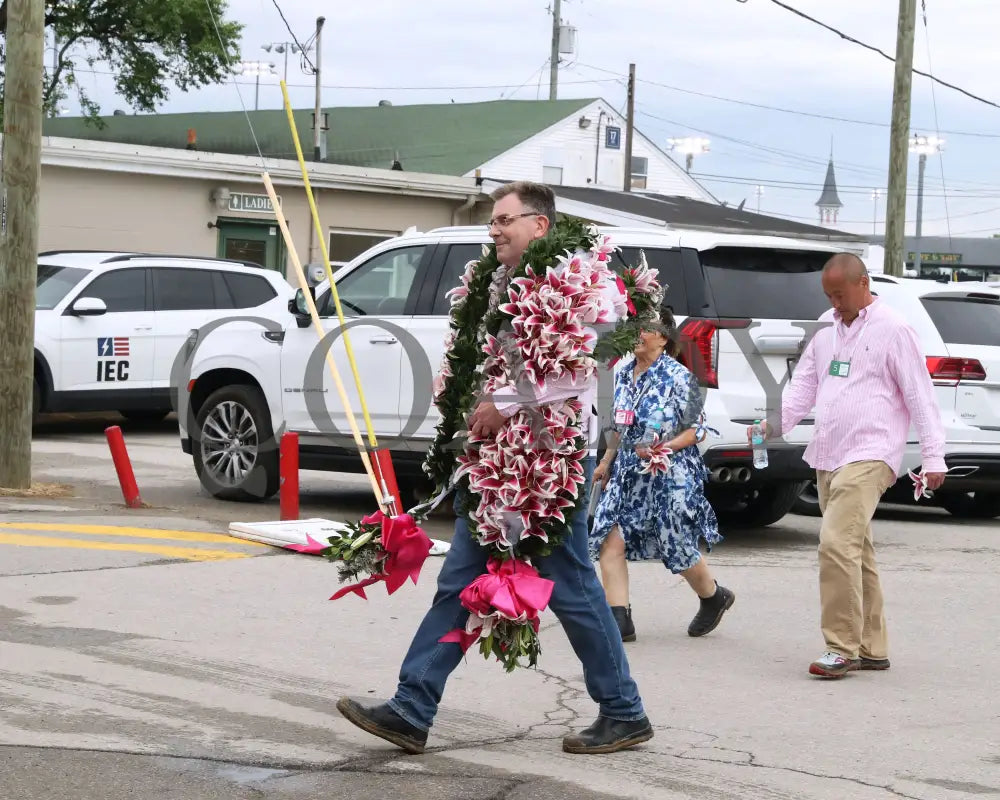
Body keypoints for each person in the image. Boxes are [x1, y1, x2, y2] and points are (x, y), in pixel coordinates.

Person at [337, 181, 653, 754]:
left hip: (551, 461)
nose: (494, 230)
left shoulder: (585, 285)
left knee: (574, 588)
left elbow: (589, 372)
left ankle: (624, 710)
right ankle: (412, 706)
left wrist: (503, 403)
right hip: (499, 461)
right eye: (492, 222)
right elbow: (487, 364)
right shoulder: (501, 283)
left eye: (504, 220)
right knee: (460, 579)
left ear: (540, 225)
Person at [751, 253, 946, 679]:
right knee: (856, 551)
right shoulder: (826, 326)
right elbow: (803, 385)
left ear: (863, 283)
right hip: (828, 452)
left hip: (871, 453)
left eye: (839, 295)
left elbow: (920, 395)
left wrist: (933, 455)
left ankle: (841, 647)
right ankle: (873, 647)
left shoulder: (894, 329)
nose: (834, 303)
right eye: (829, 295)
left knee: (835, 545)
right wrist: (772, 424)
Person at [590, 307, 734, 642]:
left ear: (663, 338)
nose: (637, 334)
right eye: (634, 327)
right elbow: (619, 425)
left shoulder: (679, 377)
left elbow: (698, 430)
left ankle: (714, 597)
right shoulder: (624, 374)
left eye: (645, 328)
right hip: (628, 473)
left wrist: (664, 448)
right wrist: (606, 461)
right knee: (610, 540)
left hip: (668, 475)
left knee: (676, 546)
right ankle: (619, 621)